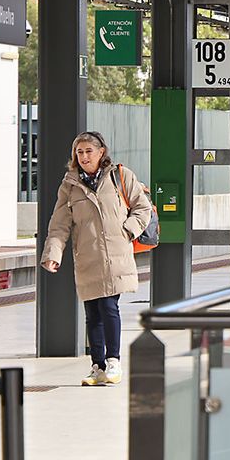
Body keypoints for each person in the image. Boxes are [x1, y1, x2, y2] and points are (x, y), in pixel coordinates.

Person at [40, 131, 153, 387]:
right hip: (87, 256)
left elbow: (142, 207)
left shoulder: (120, 176)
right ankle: (98, 366)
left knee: (108, 306)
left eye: (89, 151)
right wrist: (53, 254)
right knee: (92, 313)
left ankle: (113, 361)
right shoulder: (70, 185)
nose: (84, 157)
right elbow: (59, 224)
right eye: (79, 152)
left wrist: (127, 231)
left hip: (115, 254)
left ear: (101, 152)